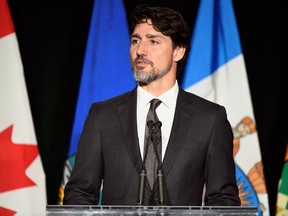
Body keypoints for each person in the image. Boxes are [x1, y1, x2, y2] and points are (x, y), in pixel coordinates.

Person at [63, 4, 240, 206]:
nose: (140, 50)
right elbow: (79, 194)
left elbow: (223, 200)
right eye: (135, 41)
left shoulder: (210, 118)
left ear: (178, 52)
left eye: (153, 41)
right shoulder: (102, 116)